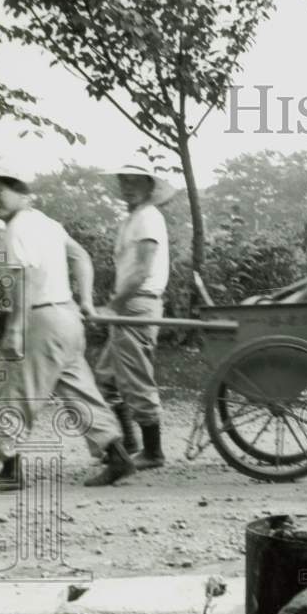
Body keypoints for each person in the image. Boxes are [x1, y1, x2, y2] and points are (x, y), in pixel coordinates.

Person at [0, 158, 135, 491]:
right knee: (78, 390)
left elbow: (23, 280)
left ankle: (9, 472)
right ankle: (117, 456)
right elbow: (81, 257)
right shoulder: (45, 223)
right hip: (67, 318)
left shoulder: (17, 229)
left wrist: (15, 330)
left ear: (20, 192)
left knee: (15, 392)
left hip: (40, 318)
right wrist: (84, 299)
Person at [93, 164, 174, 471]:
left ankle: (153, 452)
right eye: (123, 180)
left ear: (150, 186)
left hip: (137, 305)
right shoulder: (133, 218)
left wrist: (113, 304)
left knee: (136, 379)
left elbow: (141, 270)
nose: (128, 186)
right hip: (129, 304)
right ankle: (129, 443)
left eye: (135, 181)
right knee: (107, 377)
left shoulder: (148, 218)